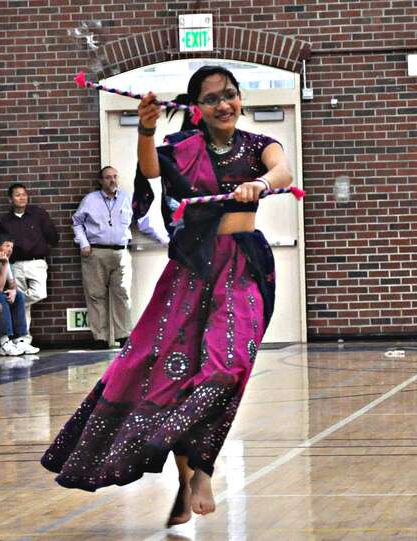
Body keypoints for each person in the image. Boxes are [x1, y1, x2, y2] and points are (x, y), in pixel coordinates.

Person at [42, 65, 294, 524]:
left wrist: (260, 182)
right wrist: (145, 127)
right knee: (172, 373)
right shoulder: (186, 147)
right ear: (196, 107)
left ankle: (191, 458)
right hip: (192, 270)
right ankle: (190, 476)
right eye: (212, 98)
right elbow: (153, 168)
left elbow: (283, 169)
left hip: (243, 267)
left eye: (230, 95)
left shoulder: (259, 146)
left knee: (227, 366)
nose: (223, 105)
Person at [72, 165, 133, 349]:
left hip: (120, 253)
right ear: (101, 181)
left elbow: (141, 221)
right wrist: (83, 243)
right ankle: (100, 337)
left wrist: (164, 237)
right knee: (96, 296)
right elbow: (76, 222)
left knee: (122, 295)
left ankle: (123, 335)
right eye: (108, 177)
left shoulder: (125, 198)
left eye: (115, 176)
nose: (113, 180)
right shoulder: (90, 200)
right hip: (96, 252)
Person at [0, 182, 59, 336]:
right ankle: (23, 337)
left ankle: (11, 301)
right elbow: (2, 243)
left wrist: (42, 248)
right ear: (10, 199)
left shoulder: (39, 214)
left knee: (39, 293)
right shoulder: (6, 220)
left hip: (36, 262)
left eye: (24, 194)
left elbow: (53, 237)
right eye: (17, 195)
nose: (22, 197)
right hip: (15, 264)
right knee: (25, 307)